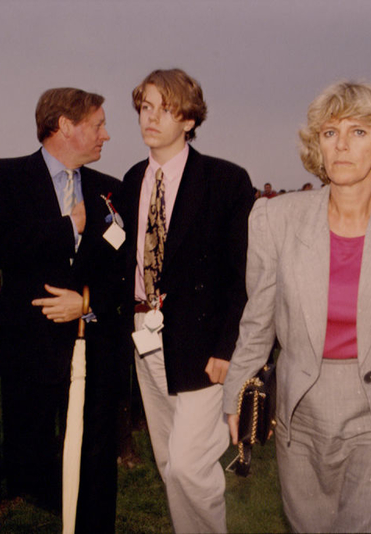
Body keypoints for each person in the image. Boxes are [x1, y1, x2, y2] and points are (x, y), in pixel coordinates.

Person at [223, 81, 371, 532]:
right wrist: (237, 392)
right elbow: (257, 321)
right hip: (303, 414)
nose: (342, 145)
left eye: (359, 132)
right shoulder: (276, 218)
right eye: (330, 133)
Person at [0, 87, 124, 532]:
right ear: (64, 125)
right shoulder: (4, 176)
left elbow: (123, 269)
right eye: (97, 125)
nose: (106, 135)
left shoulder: (109, 192)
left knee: (97, 461)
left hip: (95, 344)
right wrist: (67, 227)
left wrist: (85, 302)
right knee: (32, 462)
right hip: (30, 347)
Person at [121, 68, 254, 533]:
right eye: (145, 107)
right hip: (147, 341)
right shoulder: (132, 179)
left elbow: (242, 275)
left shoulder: (226, 181)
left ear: (190, 119)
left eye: (165, 108)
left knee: (187, 467)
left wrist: (227, 348)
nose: (151, 117)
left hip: (203, 349)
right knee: (168, 463)